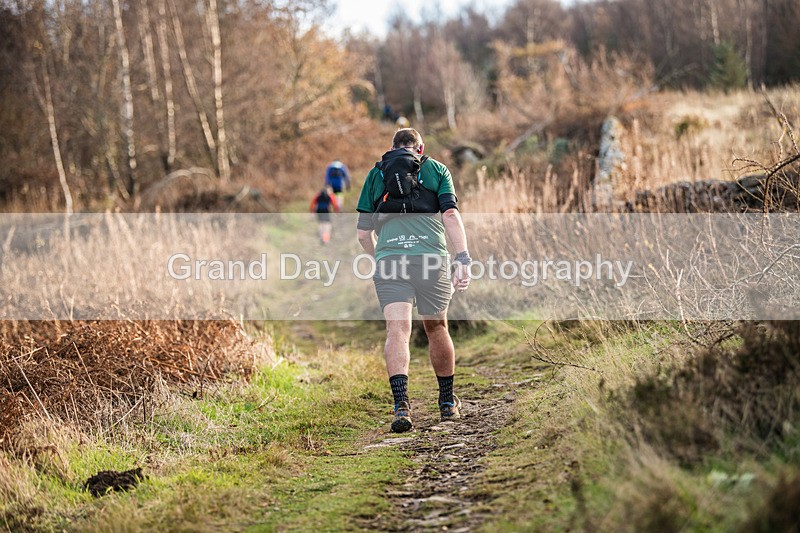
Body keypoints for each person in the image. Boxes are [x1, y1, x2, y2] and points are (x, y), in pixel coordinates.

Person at [356, 128, 472, 433]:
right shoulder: (436, 169)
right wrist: (462, 257)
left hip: (391, 262)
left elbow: (362, 233)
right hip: (431, 261)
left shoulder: (376, 174)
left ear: (393, 149)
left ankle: (401, 407)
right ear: (420, 148)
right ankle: (447, 403)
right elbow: (449, 216)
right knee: (436, 328)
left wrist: (377, 256)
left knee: (397, 330)